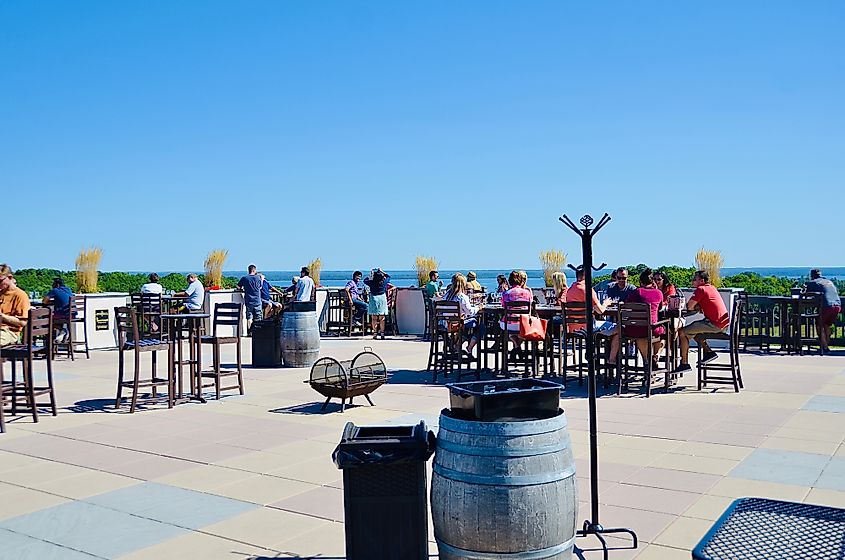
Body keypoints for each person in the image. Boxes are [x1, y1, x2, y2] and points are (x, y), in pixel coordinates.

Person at [676, 270, 730, 372]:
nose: (692, 281)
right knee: (694, 330)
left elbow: (690, 306)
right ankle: (708, 352)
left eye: (694, 279)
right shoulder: (712, 288)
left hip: (714, 324)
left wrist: (695, 306)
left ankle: (684, 364)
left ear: (701, 280)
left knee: (682, 332)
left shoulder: (700, 289)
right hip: (722, 324)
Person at [566, 266, 620, 363]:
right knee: (618, 328)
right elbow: (600, 311)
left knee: (607, 327)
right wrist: (606, 303)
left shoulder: (569, 290)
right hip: (588, 328)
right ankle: (611, 359)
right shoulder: (588, 290)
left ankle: (598, 356)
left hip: (573, 327)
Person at [626, 269, 666, 367]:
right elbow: (660, 308)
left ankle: (646, 360)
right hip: (652, 328)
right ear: (652, 282)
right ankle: (656, 355)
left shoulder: (636, 292)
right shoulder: (658, 293)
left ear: (640, 282)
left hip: (635, 329)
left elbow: (627, 305)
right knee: (664, 332)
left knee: (640, 335)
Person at [442, 273, 485, 356]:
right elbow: (470, 312)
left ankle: (456, 344)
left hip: (447, 324)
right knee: (481, 327)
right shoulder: (462, 297)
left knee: (466, 326)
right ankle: (469, 347)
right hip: (458, 324)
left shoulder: (446, 295)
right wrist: (478, 308)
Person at [804, 268, 841, 352]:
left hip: (827, 306)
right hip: (837, 305)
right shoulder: (829, 282)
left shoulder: (813, 282)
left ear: (812, 275)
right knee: (827, 325)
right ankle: (826, 345)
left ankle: (824, 347)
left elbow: (805, 294)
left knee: (819, 325)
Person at [0, 264, 31, 347]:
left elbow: (22, 322)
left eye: (0, 281)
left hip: (10, 332)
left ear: (10, 277)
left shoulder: (20, 295)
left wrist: (2, 317)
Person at [44, 277, 74, 343]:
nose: (52, 285)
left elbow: (44, 301)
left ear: (57, 284)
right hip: (72, 314)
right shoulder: (68, 289)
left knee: (46, 319)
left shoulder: (55, 290)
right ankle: (61, 334)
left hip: (64, 314)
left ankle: (61, 331)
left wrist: (50, 302)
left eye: (53, 284)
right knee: (56, 316)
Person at [364, 268, 390, 339]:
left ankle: (375, 333)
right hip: (382, 299)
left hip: (374, 298)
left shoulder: (371, 282)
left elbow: (365, 280)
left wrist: (371, 275)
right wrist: (382, 271)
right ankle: (382, 334)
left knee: (374, 318)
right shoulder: (384, 282)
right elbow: (388, 276)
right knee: (382, 318)